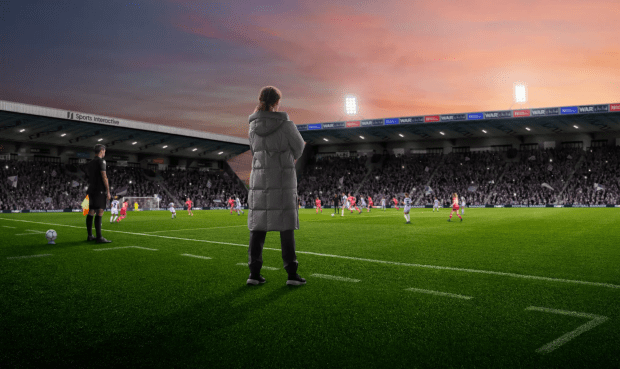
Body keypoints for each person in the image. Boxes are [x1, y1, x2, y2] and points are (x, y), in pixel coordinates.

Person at [246, 86, 306, 286]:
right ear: (276, 103)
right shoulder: (285, 124)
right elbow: (299, 148)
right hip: (282, 180)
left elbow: (254, 150)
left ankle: (254, 274)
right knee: (286, 227)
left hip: (259, 182)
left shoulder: (252, 127)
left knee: (258, 228)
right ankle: (291, 274)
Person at [84, 144, 111, 243]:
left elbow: (87, 176)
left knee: (91, 211)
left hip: (91, 189)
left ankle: (90, 235)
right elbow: (104, 176)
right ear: (102, 150)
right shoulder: (102, 161)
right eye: (104, 151)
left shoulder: (90, 163)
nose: (104, 153)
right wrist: (108, 191)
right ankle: (99, 237)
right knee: (100, 211)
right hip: (99, 190)